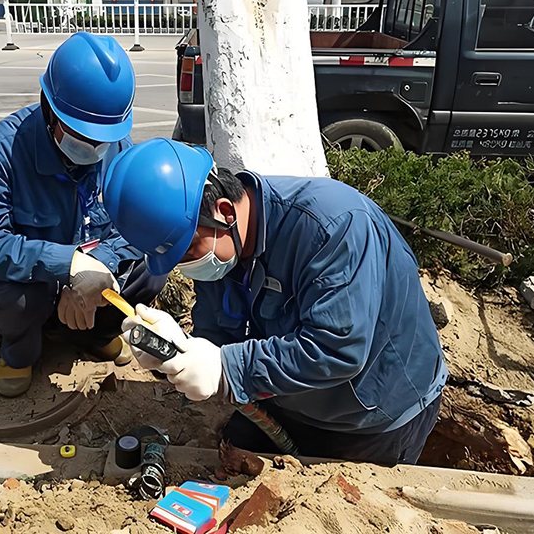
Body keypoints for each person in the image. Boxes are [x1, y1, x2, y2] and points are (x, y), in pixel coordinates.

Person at [103, 139, 448, 465]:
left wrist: (227, 367)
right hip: (289, 397)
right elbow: (216, 335)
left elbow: (337, 349)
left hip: (372, 410)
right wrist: (175, 355)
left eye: (187, 251)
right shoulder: (221, 241)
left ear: (224, 211)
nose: (187, 266)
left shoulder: (333, 227)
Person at [0, 33, 166, 398]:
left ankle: (96, 333)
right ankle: (19, 353)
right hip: (29, 282)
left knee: (151, 268)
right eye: (83, 135)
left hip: (90, 276)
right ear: (50, 110)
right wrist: (67, 264)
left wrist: (97, 266)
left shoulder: (115, 146)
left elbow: (136, 227)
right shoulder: (0, 153)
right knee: (18, 299)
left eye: (104, 138)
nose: (95, 148)